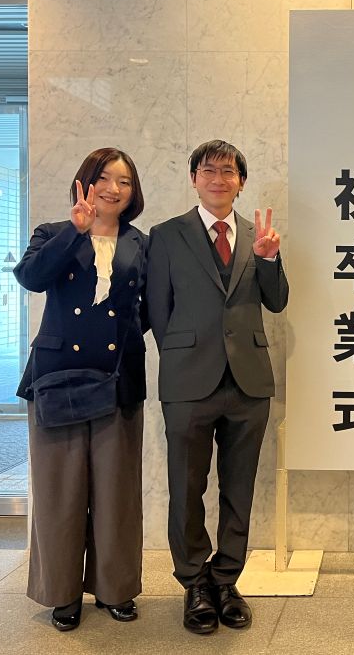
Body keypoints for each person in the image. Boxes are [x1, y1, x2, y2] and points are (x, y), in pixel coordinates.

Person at [146, 140, 288, 635]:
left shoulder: (257, 235)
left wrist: (269, 259)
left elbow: (276, 301)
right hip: (188, 381)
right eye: (209, 170)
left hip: (248, 382)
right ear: (194, 179)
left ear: (241, 182)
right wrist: (184, 355)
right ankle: (194, 582)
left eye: (229, 172)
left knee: (238, 486)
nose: (218, 179)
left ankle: (226, 580)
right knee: (187, 486)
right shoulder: (166, 235)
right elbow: (157, 310)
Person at [14, 148, 148, 631]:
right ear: (85, 182)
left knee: (117, 492)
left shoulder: (141, 243)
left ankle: (115, 589)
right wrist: (76, 230)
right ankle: (62, 592)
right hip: (58, 378)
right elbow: (30, 278)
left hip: (118, 378)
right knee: (60, 491)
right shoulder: (53, 232)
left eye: (124, 182)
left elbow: (147, 309)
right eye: (105, 178)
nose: (114, 189)